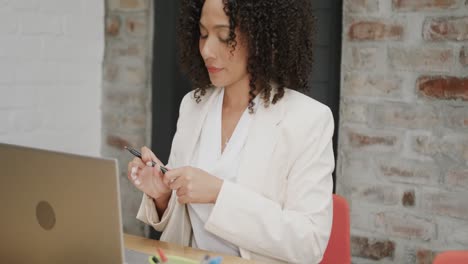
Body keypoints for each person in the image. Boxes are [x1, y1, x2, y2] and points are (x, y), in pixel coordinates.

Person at [127, 0, 335, 263]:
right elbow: (180, 222)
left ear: (262, 37)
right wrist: (162, 193)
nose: (207, 50)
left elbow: (309, 243)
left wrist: (219, 193)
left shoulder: (307, 120)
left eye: (224, 36)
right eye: (203, 34)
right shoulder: (194, 106)